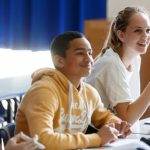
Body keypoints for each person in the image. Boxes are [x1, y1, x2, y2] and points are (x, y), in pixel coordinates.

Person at [15, 31, 131, 149]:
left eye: (90, 53)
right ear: (59, 61)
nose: (89, 59)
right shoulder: (43, 91)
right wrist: (98, 138)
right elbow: (42, 141)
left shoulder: (90, 92)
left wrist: (116, 125)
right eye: (80, 53)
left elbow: (104, 117)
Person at [86, 7, 150, 129]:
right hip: (92, 135)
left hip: (114, 135)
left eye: (148, 30)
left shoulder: (136, 59)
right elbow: (126, 119)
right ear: (121, 35)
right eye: (138, 31)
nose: (145, 36)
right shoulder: (111, 63)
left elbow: (131, 116)